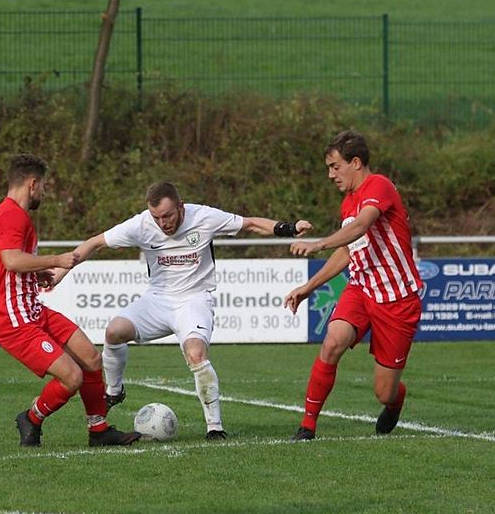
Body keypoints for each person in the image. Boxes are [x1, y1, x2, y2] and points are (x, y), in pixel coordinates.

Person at [57, 181, 312, 440]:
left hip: (194, 300)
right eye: (157, 217)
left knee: (196, 354)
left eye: (167, 215)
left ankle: (214, 427)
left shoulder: (204, 217)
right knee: (114, 331)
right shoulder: (142, 224)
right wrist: (60, 270)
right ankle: (114, 391)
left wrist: (288, 228)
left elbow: (250, 224)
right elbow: (94, 243)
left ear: (181, 207)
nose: (162, 223)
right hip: (157, 299)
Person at [0, 154, 141, 448]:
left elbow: (3, 264)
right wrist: (57, 260)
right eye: (43, 187)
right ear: (32, 184)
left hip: (31, 309)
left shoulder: (5, 214)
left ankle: (99, 430)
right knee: (72, 377)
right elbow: (11, 260)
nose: (43, 193)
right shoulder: (12, 215)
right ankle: (31, 418)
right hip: (14, 320)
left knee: (91, 358)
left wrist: (37, 273)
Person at [285, 130, 423, 440]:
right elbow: (348, 250)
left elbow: (362, 225)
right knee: (332, 341)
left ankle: (395, 401)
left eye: (335, 166)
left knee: (384, 392)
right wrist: (308, 288)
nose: (330, 174)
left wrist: (317, 244)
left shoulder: (379, 186)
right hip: (361, 289)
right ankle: (307, 426)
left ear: (356, 162)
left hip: (397, 299)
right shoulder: (348, 203)